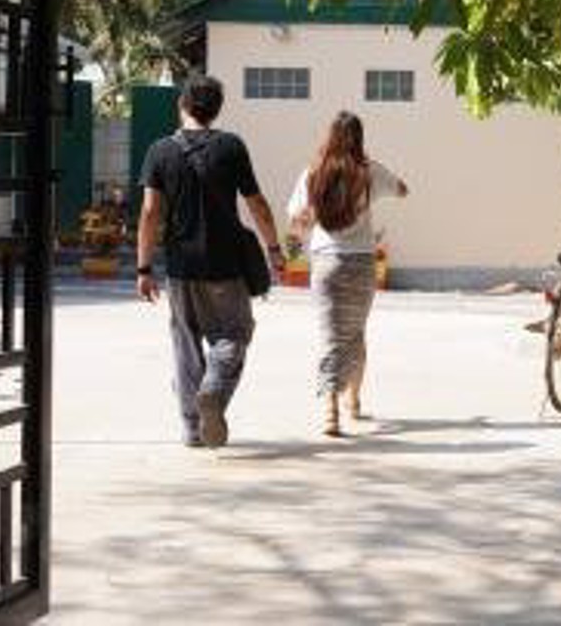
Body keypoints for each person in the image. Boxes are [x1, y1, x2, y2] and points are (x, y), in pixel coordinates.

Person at [136, 74, 284, 448]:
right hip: (225, 264)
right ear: (217, 109)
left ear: (182, 105)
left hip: (180, 267)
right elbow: (257, 204)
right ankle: (214, 388)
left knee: (185, 344)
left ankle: (192, 428)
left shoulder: (159, 151)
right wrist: (274, 249)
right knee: (235, 332)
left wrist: (143, 268)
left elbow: (150, 213)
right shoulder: (231, 146)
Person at [286, 111, 408, 437]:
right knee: (355, 334)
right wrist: (375, 173)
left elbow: (297, 220)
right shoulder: (369, 171)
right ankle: (352, 400)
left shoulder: (313, 172)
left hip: (325, 263)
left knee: (330, 336)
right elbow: (403, 189)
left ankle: (330, 410)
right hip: (361, 264)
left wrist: (296, 244)